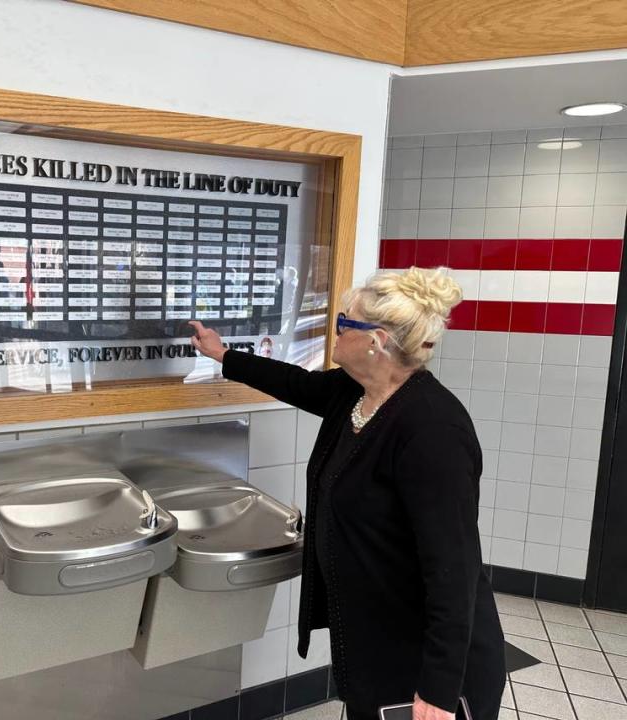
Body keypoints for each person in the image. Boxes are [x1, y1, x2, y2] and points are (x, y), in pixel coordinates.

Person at [189, 267, 505, 720]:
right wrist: (224, 355)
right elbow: (296, 384)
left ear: (375, 340)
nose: (332, 330)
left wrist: (437, 692)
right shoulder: (356, 393)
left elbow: (453, 573)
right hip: (376, 641)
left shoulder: (433, 430)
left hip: (430, 666)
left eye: (342, 322)